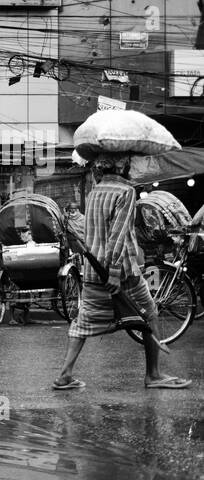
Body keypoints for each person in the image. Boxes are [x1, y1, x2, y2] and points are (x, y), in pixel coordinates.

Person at [54, 154, 191, 390]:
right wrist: (115, 272)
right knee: (149, 313)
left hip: (93, 270)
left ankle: (65, 375)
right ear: (124, 166)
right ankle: (154, 375)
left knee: (83, 321)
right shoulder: (126, 191)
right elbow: (117, 235)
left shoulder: (95, 191)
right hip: (123, 272)